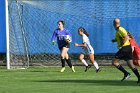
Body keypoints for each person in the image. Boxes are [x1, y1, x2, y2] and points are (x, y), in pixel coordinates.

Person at [112, 18, 140, 83]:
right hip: (127, 48)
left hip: (125, 48)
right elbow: (122, 37)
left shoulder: (120, 29)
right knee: (130, 64)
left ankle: (126, 73)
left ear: (114, 24)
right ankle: (139, 78)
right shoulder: (118, 30)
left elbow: (126, 37)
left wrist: (121, 44)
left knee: (114, 62)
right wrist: (115, 40)